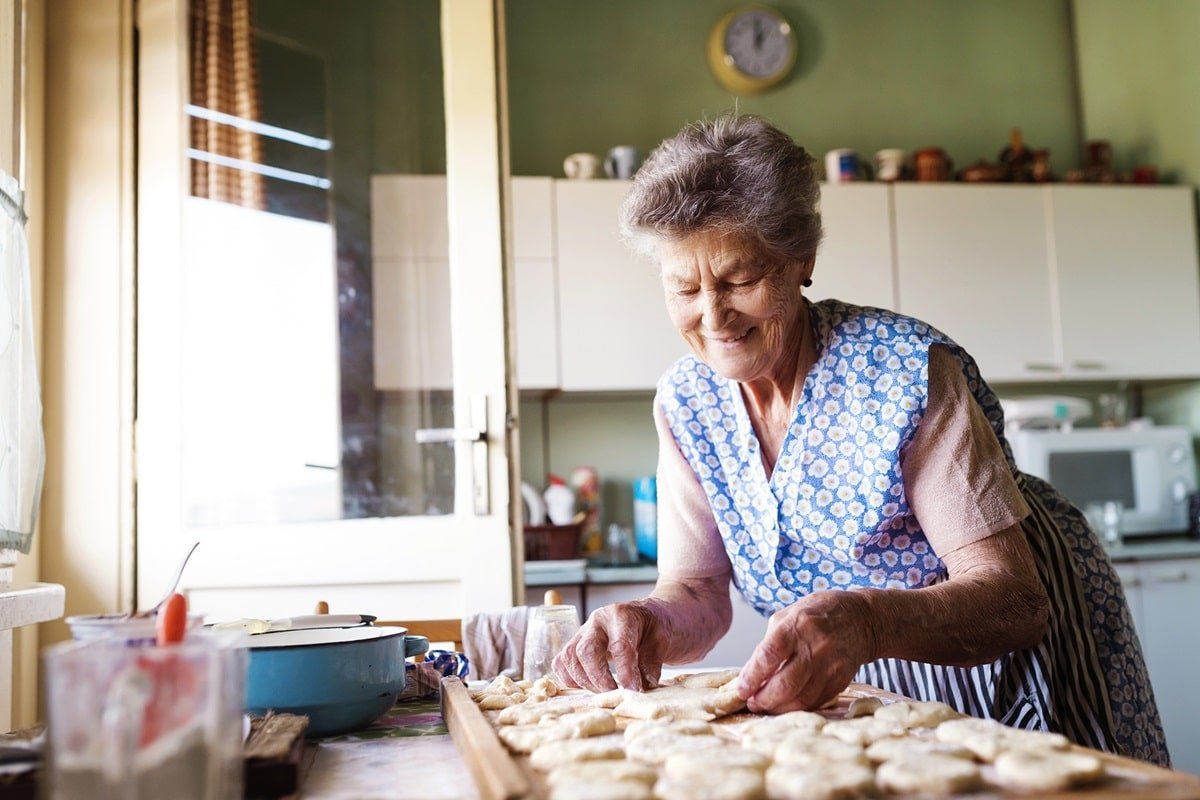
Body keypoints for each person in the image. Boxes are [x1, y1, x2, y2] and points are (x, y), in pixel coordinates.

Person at [551, 113, 1168, 766]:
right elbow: (697, 593)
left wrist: (868, 622)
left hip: (1001, 636)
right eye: (683, 287)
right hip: (864, 659)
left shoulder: (903, 372)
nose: (713, 316)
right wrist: (646, 623)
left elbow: (1012, 600)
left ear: (801, 259)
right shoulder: (686, 403)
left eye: (739, 280)